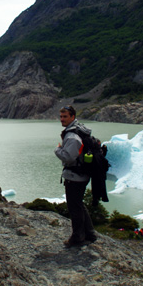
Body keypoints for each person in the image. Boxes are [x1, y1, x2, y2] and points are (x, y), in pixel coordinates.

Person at [54, 105, 97, 247]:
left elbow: (68, 157)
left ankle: (77, 237)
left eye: (65, 117)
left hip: (75, 176)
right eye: (61, 116)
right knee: (79, 204)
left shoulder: (72, 136)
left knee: (74, 207)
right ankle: (90, 234)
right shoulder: (79, 129)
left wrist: (58, 149)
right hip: (81, 174)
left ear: (72, 117)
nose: (62, 119)